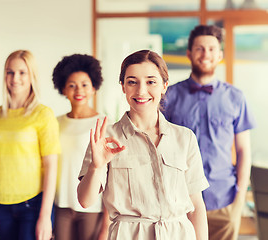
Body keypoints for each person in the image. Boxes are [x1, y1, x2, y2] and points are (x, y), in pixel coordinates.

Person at [77, 49, 209, 240]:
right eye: (132, 82)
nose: (141, 91)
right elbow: (85, 200)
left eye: (151, 82)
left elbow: (196, 204)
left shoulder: (185, 137)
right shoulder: (106, 138)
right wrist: (96, 167)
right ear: (122, 86)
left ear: (164, 85)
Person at [163, 25, 256, 240]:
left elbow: (243, 150)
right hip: (180, 200)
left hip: (224, 199)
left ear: (220, 55)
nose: (206, 54)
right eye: (200, 48)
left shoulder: (236, 97)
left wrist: (240, 195)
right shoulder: (169, 97)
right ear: (189, 53)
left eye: (212, 49)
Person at [0, 50, 60, 240]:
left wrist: (45, 216)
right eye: (10, 72)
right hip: (2, 205)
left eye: (22, 72)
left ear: (32, 76)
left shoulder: (43, 114)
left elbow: (51, 166)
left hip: (33, 204)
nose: (15, 78)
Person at [52, 54, 110, 240]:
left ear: (94, 88)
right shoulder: (55, 123)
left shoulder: (103, 123)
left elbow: (111, 177)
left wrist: (106, 228)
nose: (79, 90)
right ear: (63, 89)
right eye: (72, 85)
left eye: (85, 84)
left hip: (92, 208)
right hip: (61, 206)